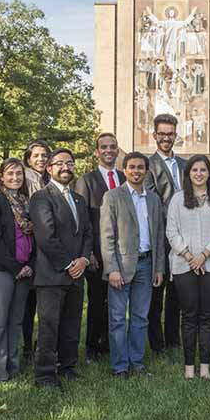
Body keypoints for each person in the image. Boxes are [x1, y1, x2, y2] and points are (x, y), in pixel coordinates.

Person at [30, 149, 93, 388]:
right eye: (60, 163)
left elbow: (87, 233)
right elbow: (46, 236)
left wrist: (84, 260)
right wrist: (69, 264)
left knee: (71, 323)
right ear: (49, 168)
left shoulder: (78, 199)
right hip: (52, 274)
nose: (66, 167)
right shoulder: (41, 197)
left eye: (70, 162)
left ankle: (67, 366)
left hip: (77, 273)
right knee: (49, 325)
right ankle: (45, 375)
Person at [101, 152, 165, 377]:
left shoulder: (153, 199)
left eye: (140, 168)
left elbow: (158, 235)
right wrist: (112, 269)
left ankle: (136, 362)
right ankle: (120, 366)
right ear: (124, 170)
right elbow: (107, 236)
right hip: (121, 265)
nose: (136, 171)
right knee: (118, 318)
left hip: (147, 265)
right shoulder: (112, 196)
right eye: (132, 167)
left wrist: (159, 268)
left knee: (140, 317)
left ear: (146, 171)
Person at [166, 155, 210, 380]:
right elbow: (171, 231)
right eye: (195, 170)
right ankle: (188, 366)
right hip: (184, 264)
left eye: (203, 170)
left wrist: (203, 255)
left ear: (209, 174)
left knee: (207, 315)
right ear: (189, 174)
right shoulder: (177, 199)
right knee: (189, 314)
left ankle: (204, 364)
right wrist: (189, 255)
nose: (199, 174)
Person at [0, 158, 34, 382]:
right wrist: (15, 267)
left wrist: (29, 265)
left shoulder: (27, 203)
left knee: (16, 320)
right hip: (0, 269)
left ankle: (12, 365)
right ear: (1, 177)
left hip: (25, 270)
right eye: (10, 174)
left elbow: (33, 237)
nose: (15, 178)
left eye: (19, 174)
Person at [74, 133, 125, 363]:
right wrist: (89, 253)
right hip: (97, 252)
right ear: (97, 151)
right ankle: (92, 348)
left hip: (123, 251)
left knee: (117, 302)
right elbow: (82, 219)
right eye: (103, 147)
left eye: (112, 147)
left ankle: (109, 343)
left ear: (117, 150)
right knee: (97, 301)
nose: (108, 150)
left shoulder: (126, 177)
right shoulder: (87, 180)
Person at [144, 114, 186, 353]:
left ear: (175, 135)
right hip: (161, 237)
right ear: (155, 136)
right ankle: (157, 343)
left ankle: (173, 339)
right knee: (156, 292)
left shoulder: (184, 165)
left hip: (184, 238)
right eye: (162, 134)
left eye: (170, 134)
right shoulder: (148, 165)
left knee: (177, 291)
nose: (166, 138)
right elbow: (153, 200)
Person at [21, 140, 51, 362]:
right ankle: (27, 345)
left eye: (44, 155)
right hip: (30, 246)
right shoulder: (24, 179)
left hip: (48, 248)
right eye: (36, 155)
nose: (41, 159)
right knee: (29, 302)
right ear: (28, 159)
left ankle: (42, 343)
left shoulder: (50, 178)